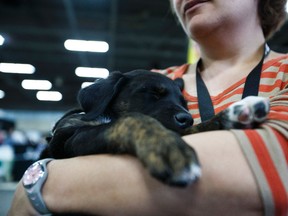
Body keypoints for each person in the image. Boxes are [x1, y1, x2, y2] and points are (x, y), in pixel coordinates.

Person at [8, 0, 288, 215]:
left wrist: (42, 184)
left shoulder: (283, 72)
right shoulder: (155, 78)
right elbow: (73, 133)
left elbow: (274, 172)